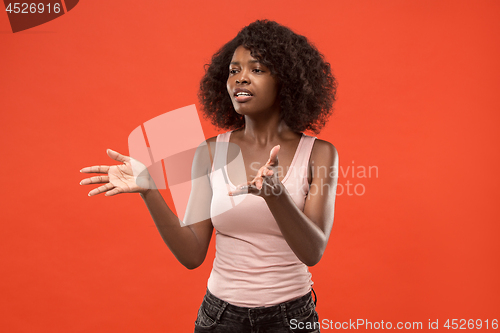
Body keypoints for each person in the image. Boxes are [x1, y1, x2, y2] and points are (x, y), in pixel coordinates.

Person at [80, 20, 338, 333]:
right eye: (233, 70)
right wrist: (149, 190)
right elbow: (191, 254)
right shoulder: (212, 151)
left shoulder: (319, 154)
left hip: (290, 318)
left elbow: (313, 252)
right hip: (220, 318)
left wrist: (275, 196)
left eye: (256, 69)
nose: (240, 77)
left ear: (285, 81)